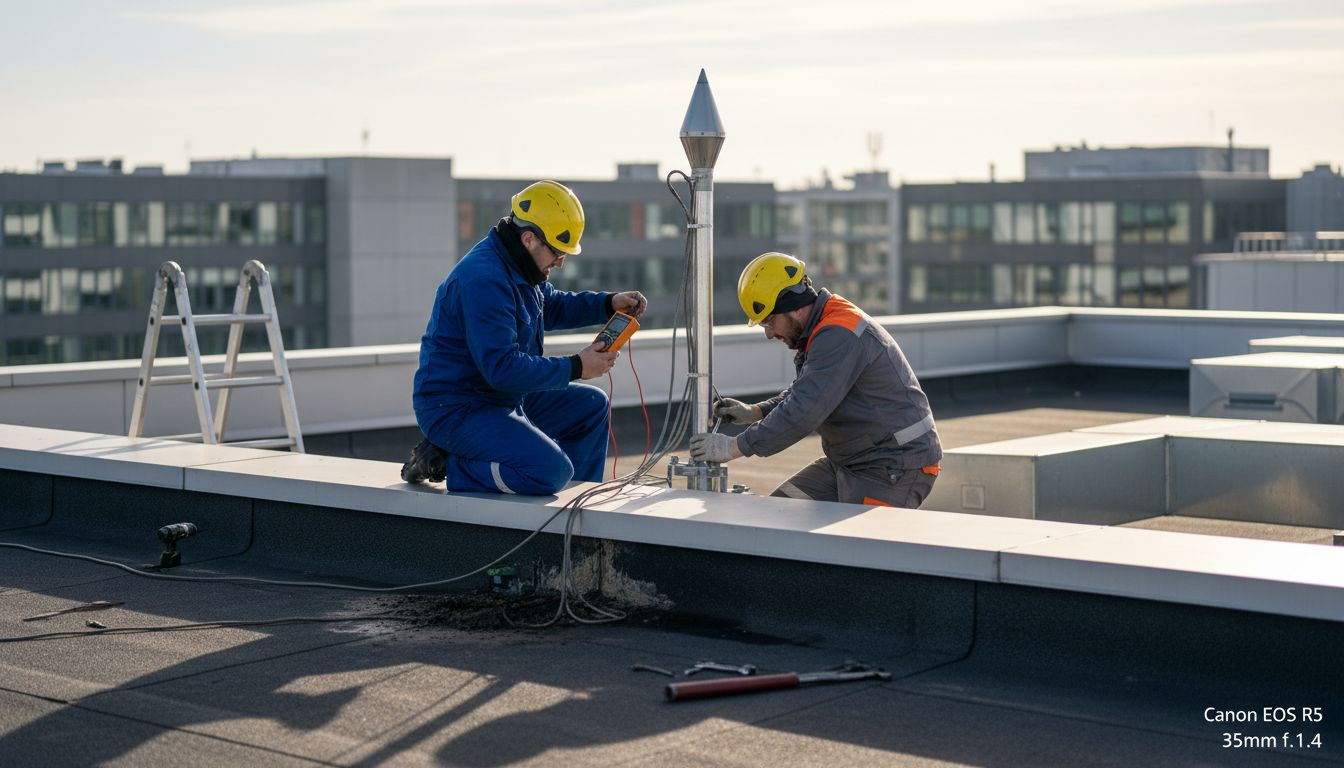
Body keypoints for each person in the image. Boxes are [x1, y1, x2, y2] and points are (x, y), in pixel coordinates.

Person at [401, 180, 647, 495]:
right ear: (529, 239)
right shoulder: (484, 280)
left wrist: (607, 303)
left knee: (591, 406)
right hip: (458, 408)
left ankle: (577, 502)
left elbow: (552, 306)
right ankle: (449, 462)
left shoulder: (520, 266)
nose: (561, 261)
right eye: (558, 252)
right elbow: (502, 368)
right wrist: (576, 367)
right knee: (550, 471)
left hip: (498, 397)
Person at [689, 252, 941, 507]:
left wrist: (734, 447)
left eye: (769, 321)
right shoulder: (822, 327)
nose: (768, 333)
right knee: (777, 515)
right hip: (850, 462)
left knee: (852, 545)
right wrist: (755, 411)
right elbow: (806, 392)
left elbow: (804, 410)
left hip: (894, 466)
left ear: (795, 308)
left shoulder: (839, 333)